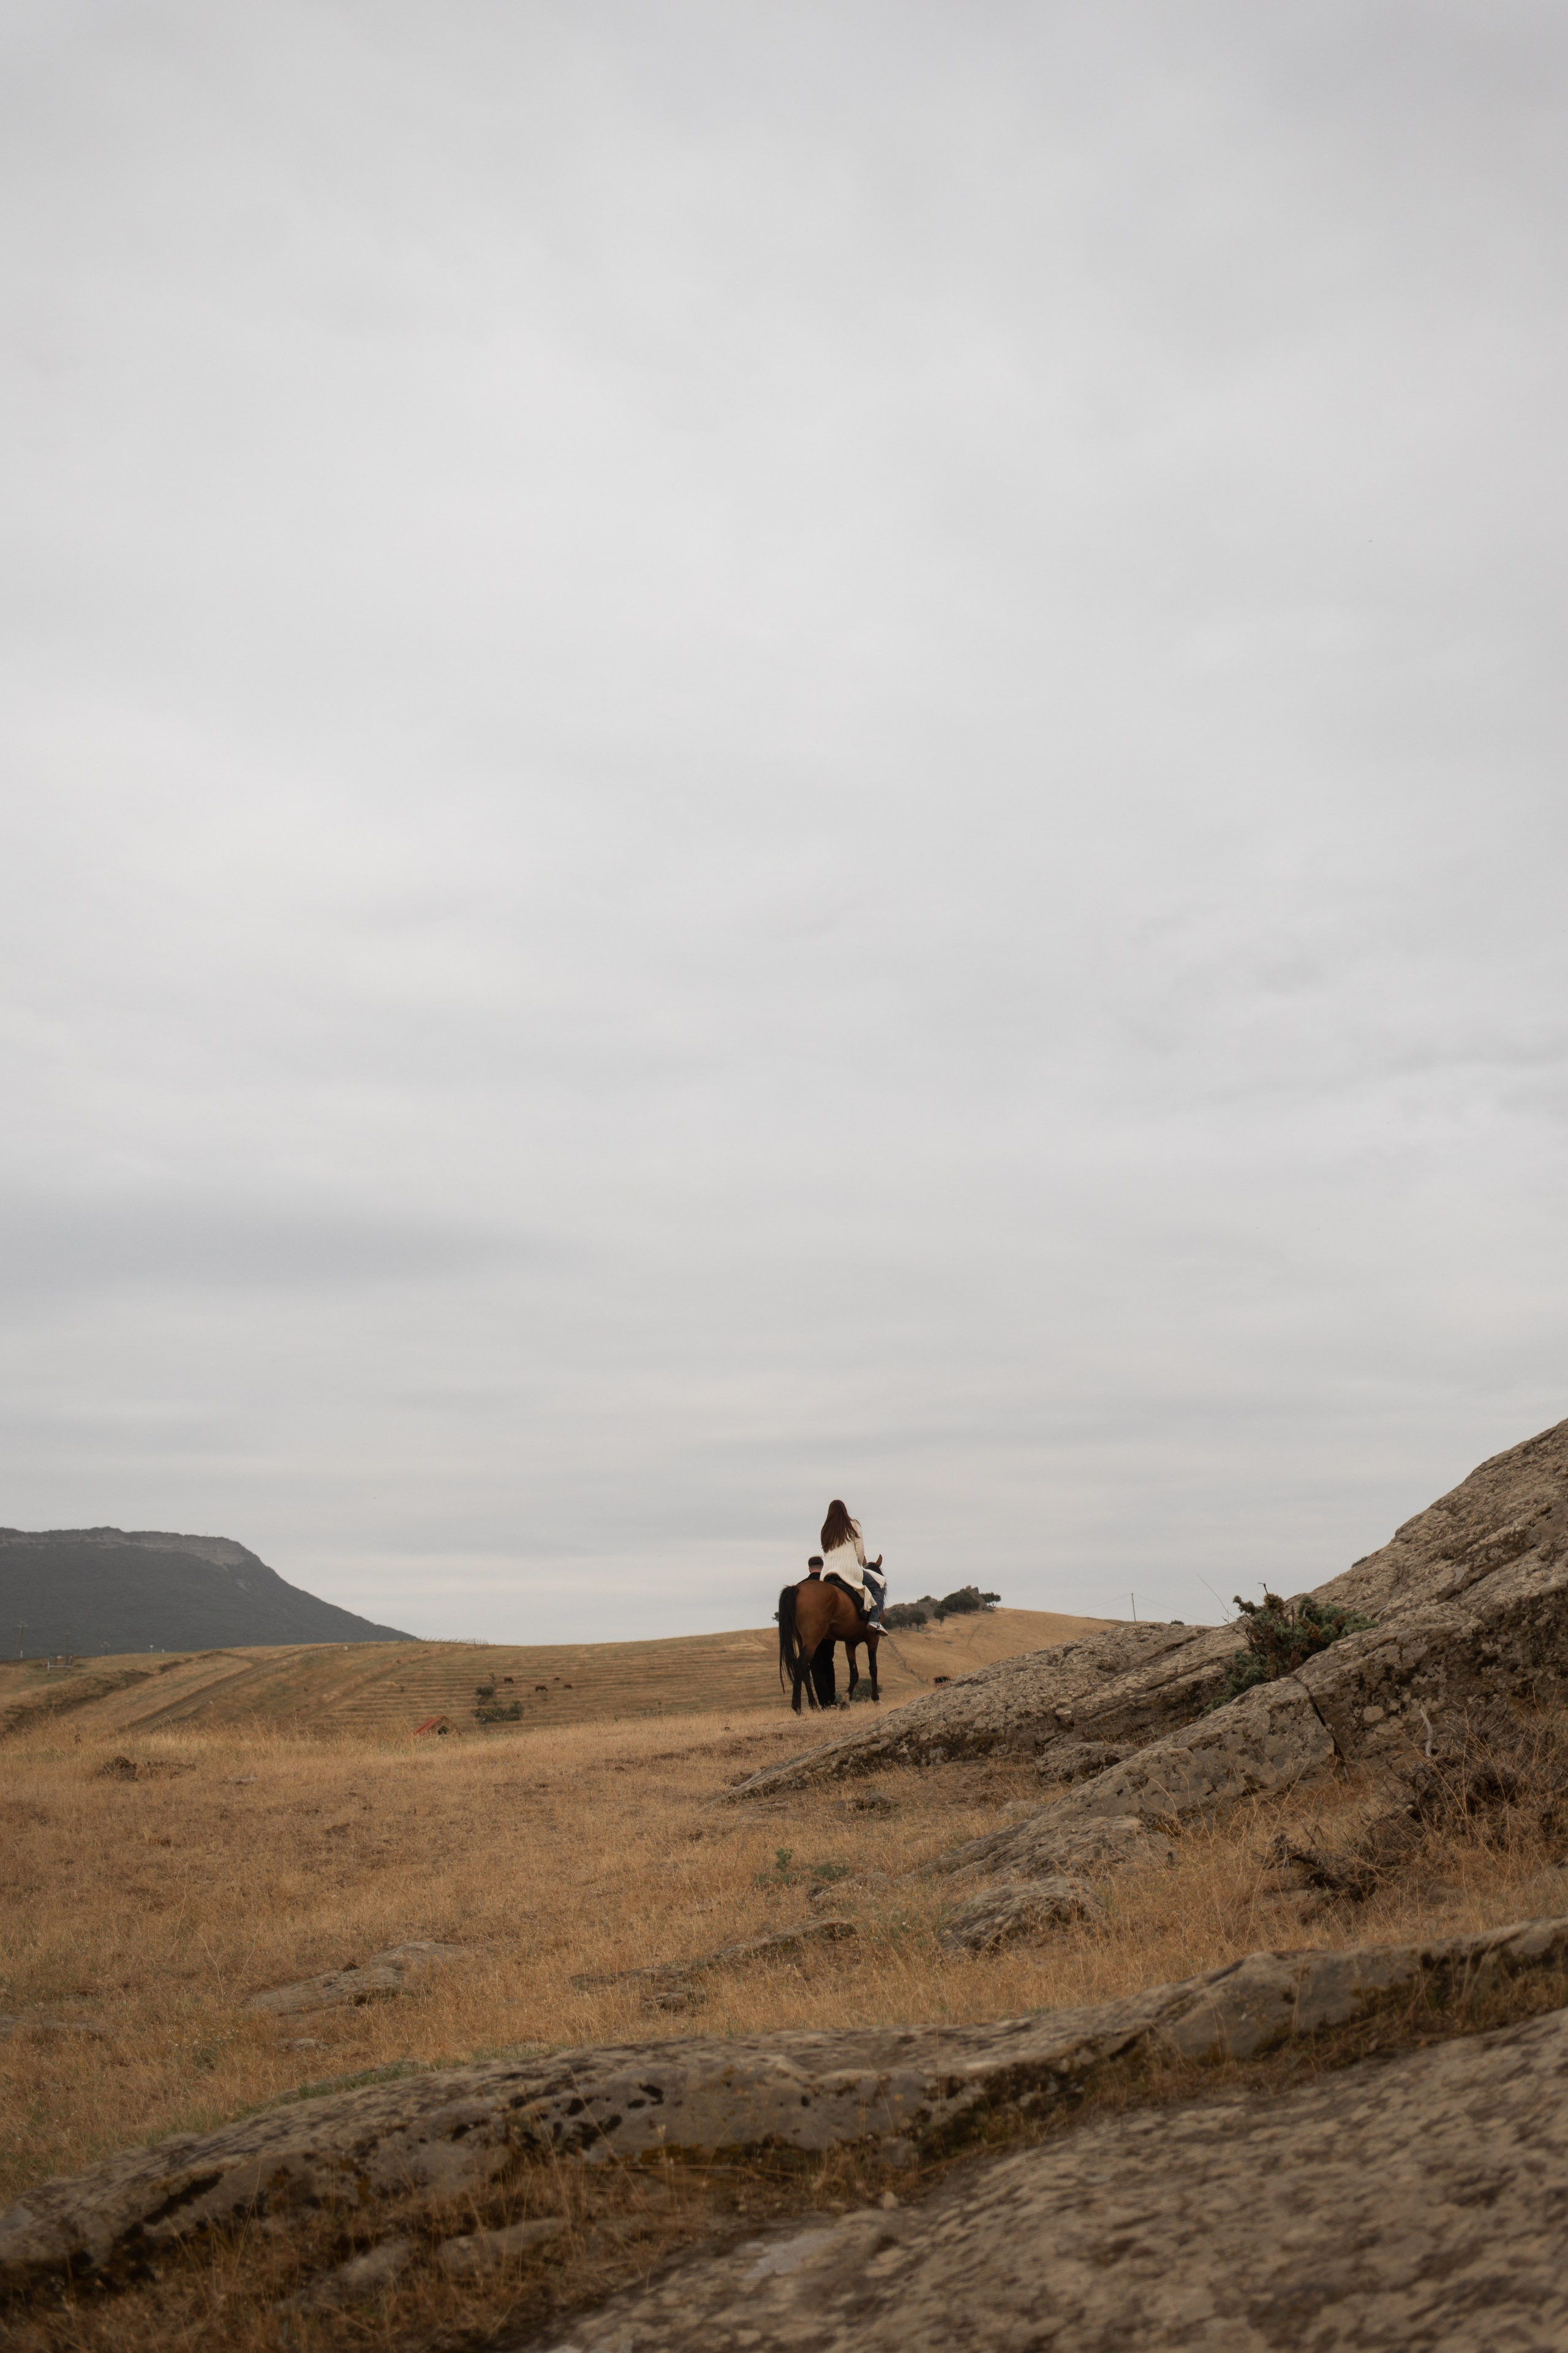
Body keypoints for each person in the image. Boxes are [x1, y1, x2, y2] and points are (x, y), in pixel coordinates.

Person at [819, 1500, 886, 1628]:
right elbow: (860, 1551)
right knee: (878, 1588)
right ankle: (874, 1621)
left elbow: (826, 1551)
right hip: (849, 1569)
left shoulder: (825, 1530)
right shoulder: (853, 1525)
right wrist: (858, 1565)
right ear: (845, 1511)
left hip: (827, 1571)